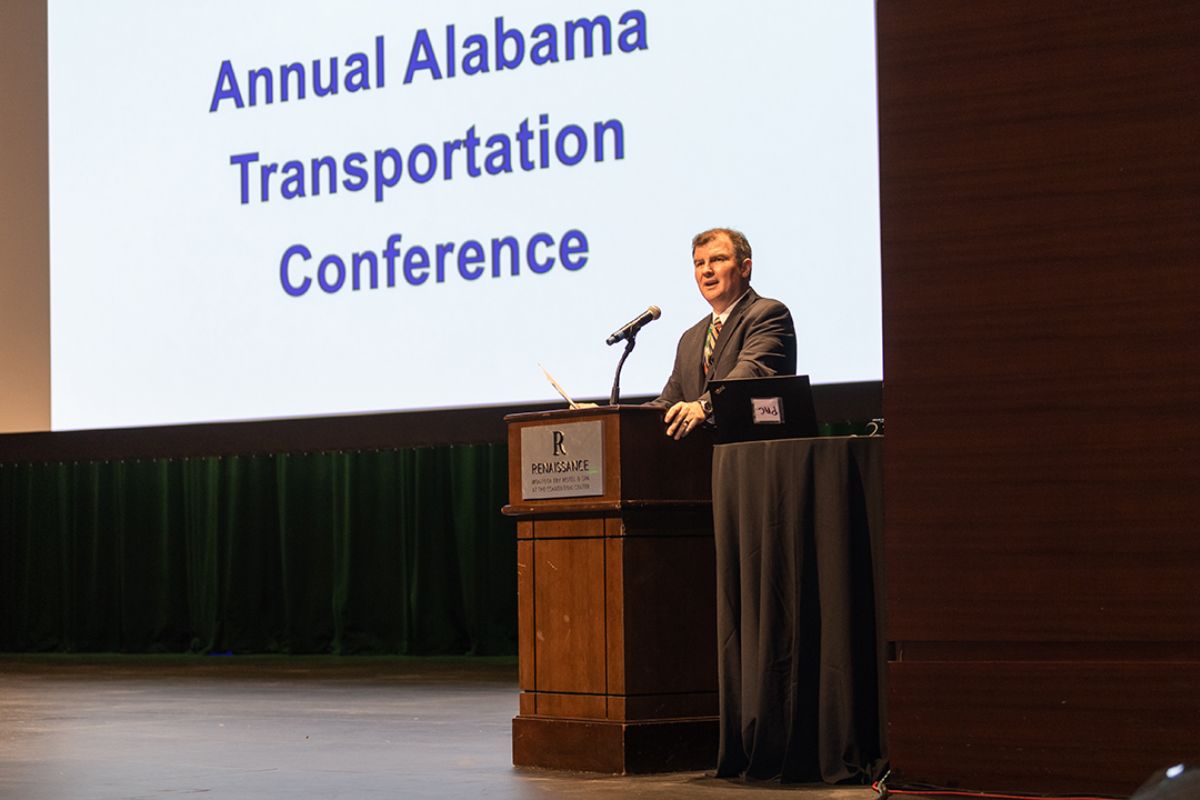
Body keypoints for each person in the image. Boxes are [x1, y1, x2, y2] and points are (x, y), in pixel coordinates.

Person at [652, 227, 797, 438]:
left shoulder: (768, 314)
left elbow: (751, 373)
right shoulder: (690, 338)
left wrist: (705, 406)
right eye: (699, 263)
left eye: (717, 259)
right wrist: (609, 414)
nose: (706, 270)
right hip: (700, 462)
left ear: (744, 268)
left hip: (750, 456)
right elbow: (669, 402)